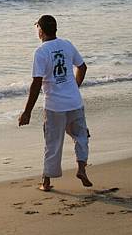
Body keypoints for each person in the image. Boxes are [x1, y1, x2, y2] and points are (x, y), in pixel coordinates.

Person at [19, 15, 92, 192]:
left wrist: (27, 111)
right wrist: (74, 87)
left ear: (41, 31)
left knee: (53, 143)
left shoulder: (41, 52)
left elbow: (36, 83)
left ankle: (46, 182)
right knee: (81, 136)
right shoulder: (67, 44)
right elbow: (82, 67)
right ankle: (81, 169)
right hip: (74, 102)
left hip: (55, 106)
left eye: (37, 28)